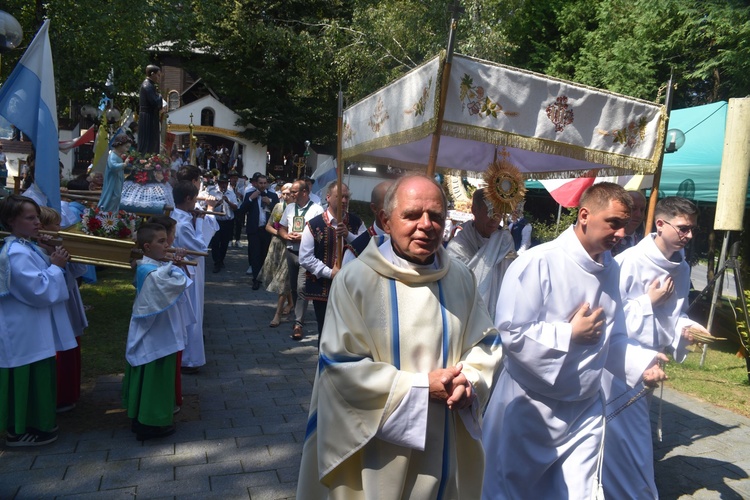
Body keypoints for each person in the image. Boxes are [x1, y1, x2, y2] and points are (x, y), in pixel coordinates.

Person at [296, 174, 503, 498]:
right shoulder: (355, 281)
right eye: (411, 215)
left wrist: (471, 381)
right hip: (378, 446)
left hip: (445, 432)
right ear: (385, 221)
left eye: (436, 216)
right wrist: (421, 388)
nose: (426, 225)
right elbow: (340, 366)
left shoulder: (460, 278)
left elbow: (486, 342)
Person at [481, 182, 668, 500]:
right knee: (508, 491)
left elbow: (614, 336)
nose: (621, 234)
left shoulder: (611, 270)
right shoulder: (539, 261)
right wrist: (569, 334)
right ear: (584, 215)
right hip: (530, 406)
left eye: (624, 225)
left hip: (584, 409)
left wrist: (642, 362)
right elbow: (510, 332)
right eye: (614, 223)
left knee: (578, 493)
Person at [602, 196, 710, 499]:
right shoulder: (627, 262)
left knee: (630, 441)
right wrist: (647, 302)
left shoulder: (682, 266)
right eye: (683, 228)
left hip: (653, 363)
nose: (688, 236)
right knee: (627, 442)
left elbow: (675, 315)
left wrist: (684, 329)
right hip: (620, 364)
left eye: (691, 230)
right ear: (660, 224)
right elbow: (611, 319)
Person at [0, 195, 72, 446]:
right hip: (23, 328)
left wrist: (51, 257)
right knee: (26, 377)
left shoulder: (26, 246)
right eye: (30, 218)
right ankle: (19, 430)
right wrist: (56, 266)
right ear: (11, 221)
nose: (37, 223)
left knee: (38, 374)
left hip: (31, 325)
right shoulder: (16, 252)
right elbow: (39, 290)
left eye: (37, 218)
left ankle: (38, 424)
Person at [121, 223, 191, 441]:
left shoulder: (156, 265)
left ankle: (147, 418)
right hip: (154, 333)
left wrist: (173, 264)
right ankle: (149, 422)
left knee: (156, 375)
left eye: (166, 239)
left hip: (161, 330)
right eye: (161, 241)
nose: (167, 244)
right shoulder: (146, 269)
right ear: (147, 246)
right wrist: (175, 266)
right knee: (153, 376)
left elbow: (176, 279)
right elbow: (174, 282)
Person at [299, 182, 365, 338]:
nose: (344, 200)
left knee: (348, 330)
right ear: (328, 198)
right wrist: (330, 272)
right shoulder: (314, 225)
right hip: (323, 287)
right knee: (325, 329)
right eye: (339, 196)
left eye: (346, 197)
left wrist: (348, 235)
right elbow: (305, 257)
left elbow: (367, 250)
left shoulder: (356, 223)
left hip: (352, 286)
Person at [39, 207, 88, 413]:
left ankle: (69, 392)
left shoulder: (57, 247)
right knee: (59, 349)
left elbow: (78, 272)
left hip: (68, 301)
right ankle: (59, 396)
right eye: (56, 224)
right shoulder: (37, 252)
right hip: (54, 306)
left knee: (71, 345)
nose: (60, 228)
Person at [446, 188, 515, 320]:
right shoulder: (457, 248)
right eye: (489, 212)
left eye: (499, 212)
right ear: (474, 210)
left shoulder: (505, 243)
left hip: (499, 317)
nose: (495, 219)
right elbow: (455, 290)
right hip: (464, 317)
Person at [171, 180, 213, 374]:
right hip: (187, 270)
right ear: (188, 199)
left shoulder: (180, 217)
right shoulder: (182, 223)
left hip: (186, 269)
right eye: (194, 199)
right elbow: (199, 249)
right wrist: (201, 222)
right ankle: (189, 358)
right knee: (191, 313)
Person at [278, 180, 323, 341]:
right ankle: (299, 315)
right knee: (294, 288)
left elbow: (321, 233)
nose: (291, 195)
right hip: (291, 252)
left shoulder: (317, 209)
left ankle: (298, 324)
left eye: (294, 192)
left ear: (305, 192)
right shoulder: (290, 208)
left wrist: (303, 237)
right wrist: (286, 236)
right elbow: (281, 227)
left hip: (307, 254)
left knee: (302, 286)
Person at [258, 183, 294, 327]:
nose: (285, 196)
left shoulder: (297, 210)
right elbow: (268, 226)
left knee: (283, 279)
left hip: (290, 247)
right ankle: (290, 303)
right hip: (277, 245)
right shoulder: (278, 207)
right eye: (283, 193)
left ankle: (277, 314)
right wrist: (280, 233)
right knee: (280, 277)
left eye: (289, 193)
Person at [341, 180, 393, 266]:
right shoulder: (356, 251)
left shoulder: (408, 244)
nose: (396, 209)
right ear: (374, 208)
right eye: (389, 204)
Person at [240, 174, 278, 289]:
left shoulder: (273, 195)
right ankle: (256, 279)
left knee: (265, 254)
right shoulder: (249, 194)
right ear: (256, 183)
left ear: (267, 184)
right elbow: (242, 210)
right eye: (260, 183)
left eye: (264, 183)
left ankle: (264, 277)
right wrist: (251, 199)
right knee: (255, 254)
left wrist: (270, 203)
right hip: (254, 229)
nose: (262, 185)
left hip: (267, 230)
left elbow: (278, 212)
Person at [207, 174, 238, 273]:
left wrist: (228, 201)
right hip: (216, 220)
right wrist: (217, 203)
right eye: (222, 183)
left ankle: (221, 260)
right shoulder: (212, 192)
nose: (223, 185)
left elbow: (236, 207)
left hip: (227, 221)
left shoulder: (231, 192)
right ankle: (216, 262)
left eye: (225, 183)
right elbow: (207, 207)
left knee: (224, 243)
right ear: (218, 183)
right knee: (215, 243)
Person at [98, 134, 131, 213]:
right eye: (126, 147)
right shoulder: (112, 155)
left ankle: (113, 213)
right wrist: (124, 164)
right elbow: (113, 166)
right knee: (113, 196)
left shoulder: (117, 155)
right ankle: (107, 211)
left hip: (117, 179)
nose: (127, 150)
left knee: (117, 196)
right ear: (119, 145)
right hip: (112, 180)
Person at [137, 64, 164, 155]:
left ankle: (151, 156)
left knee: (153, 140)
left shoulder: (151, 86)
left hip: (151, 115)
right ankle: (146, 157)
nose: (159, 78)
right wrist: (160, 96)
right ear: (152, 74)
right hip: (147, 116)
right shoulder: (147, 85)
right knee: (148, 140)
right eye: (158, 75)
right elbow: (155, 102)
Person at [611, 190, 647, 256]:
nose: (638, 214)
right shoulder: (607, 239)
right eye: (633, 208)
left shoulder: (644, 243)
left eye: (642, 210)